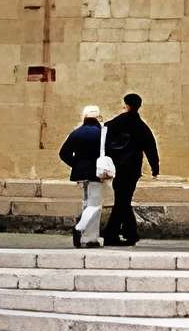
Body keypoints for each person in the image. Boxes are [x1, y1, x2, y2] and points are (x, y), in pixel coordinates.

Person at [100, 93, 161, 246]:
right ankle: (127, 233)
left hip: (118, 167)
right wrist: (155, 168)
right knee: (124, 200)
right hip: (133, 168)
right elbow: (151, 147)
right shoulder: (141, 126)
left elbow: (105, 131)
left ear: (126, 105)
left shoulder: (116, 122)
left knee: (122, 200)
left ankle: (117, 234)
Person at [57, 106, 108, 246]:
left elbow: (63, 153)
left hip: (80, 174)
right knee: (95, 205)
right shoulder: (102, 133)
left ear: (84, 117)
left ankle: (88, 238)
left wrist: (76, 164)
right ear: (98, 117)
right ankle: (81, 230)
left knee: (86, 204)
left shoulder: (77, 132)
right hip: (96, 173)